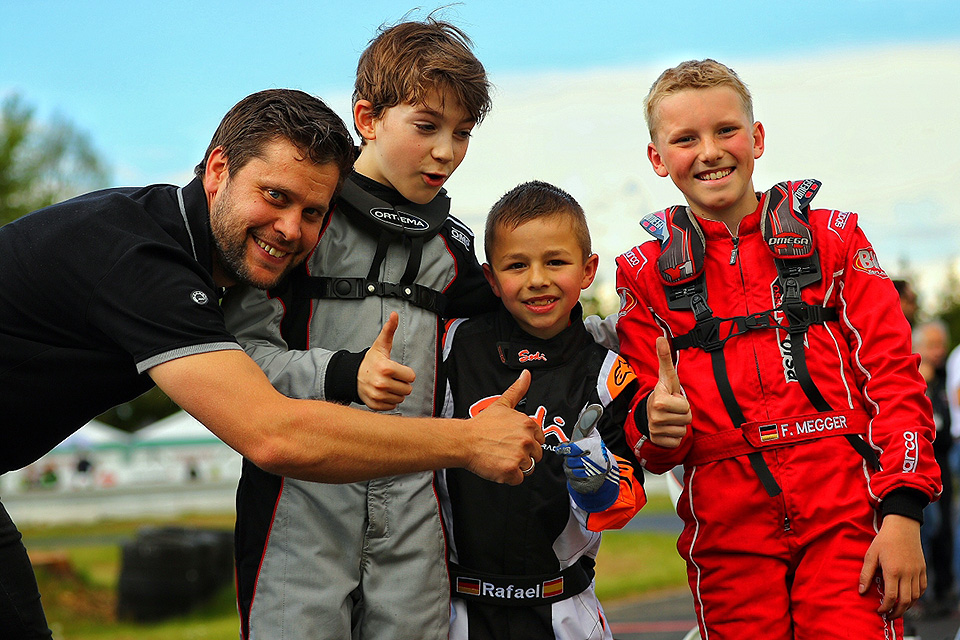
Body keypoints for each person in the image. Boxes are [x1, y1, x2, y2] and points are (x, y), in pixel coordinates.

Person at [0, 88, 543, 639]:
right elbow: (274, 435)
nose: (290, 229)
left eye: (313, 213)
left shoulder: (177, 248)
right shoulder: (138, 258)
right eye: (274, 196)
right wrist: (469, 442)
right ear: (218, 170)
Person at [614, 59, 940, 639]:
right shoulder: (644, 276)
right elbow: (650, 441)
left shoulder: (834, 238)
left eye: (726, 130)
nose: (710, 151)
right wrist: (655, 424)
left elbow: (894, 377)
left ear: (757, 138)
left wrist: (903, 512)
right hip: (727, 528)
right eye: (685, 139)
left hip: (844, 514)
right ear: (658, 159)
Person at [221, 19, 503, 640]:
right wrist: (345, 372)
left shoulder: (453, 254)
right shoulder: (297, 229)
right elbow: (241, 363)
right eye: (426, 126)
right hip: (300, 501)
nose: (446, 151)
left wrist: (618, 334)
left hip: (416, 509)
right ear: (368, 118)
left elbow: (537, 324)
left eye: (462, 133)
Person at [437, 181, 646, 639]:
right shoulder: (451, 345)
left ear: (588, 269)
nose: (537, 279)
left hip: (565, 609)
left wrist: (600, 484)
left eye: (555, 261)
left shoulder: (608, 370)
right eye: (517, 265)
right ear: (490, 278)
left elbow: (628, 497)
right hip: (458, 612)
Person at [914, 320, 956, 616]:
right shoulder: (914, 382)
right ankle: (919, 598)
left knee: (940, 528)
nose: (938, 352)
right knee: (925, 531)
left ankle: (937, 592)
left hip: (939, 467)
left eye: (940, 345)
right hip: (918, 469)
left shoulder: (939, 379)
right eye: (931, 346)